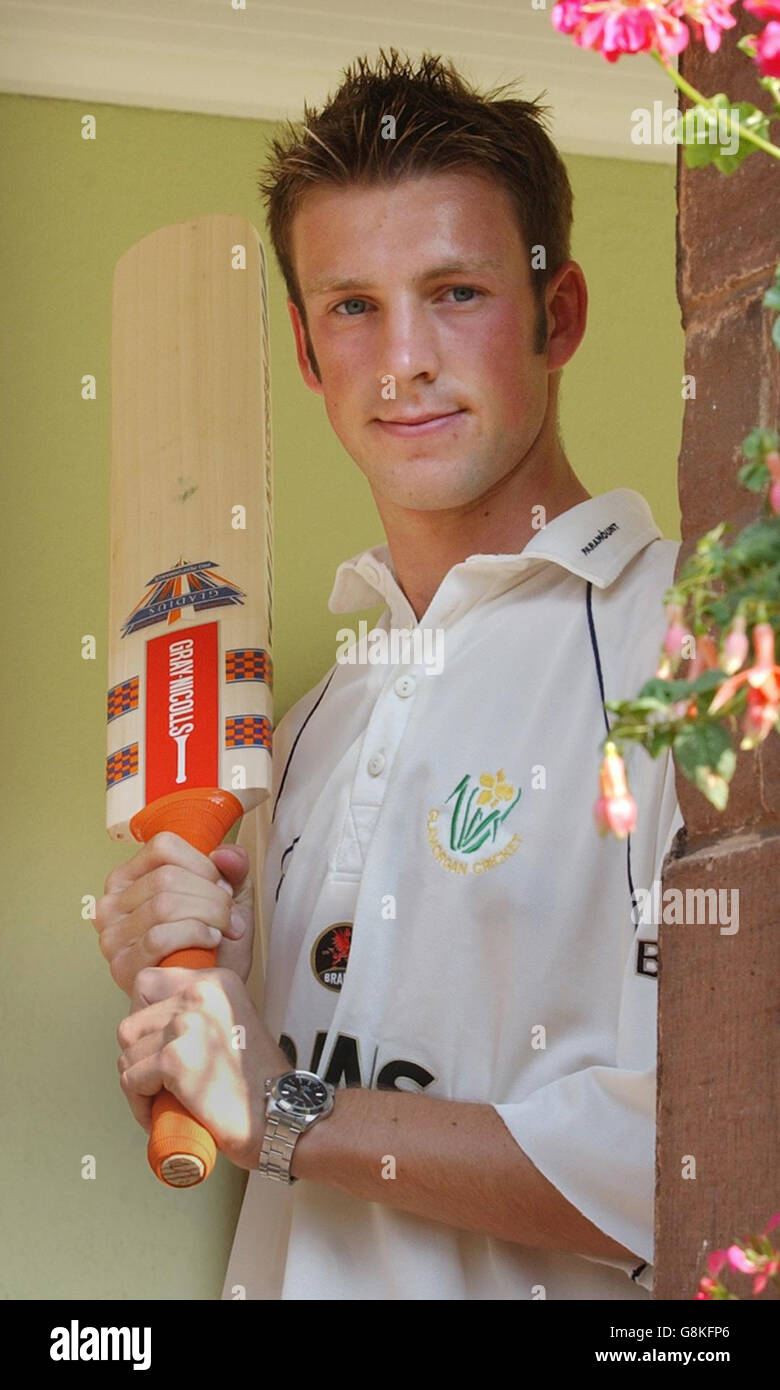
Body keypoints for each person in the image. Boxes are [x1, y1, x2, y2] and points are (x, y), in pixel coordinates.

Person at [97, 49, 684, 1301]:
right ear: (308, 354)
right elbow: (248, 1108)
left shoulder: (691, 640)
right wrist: (190, 993)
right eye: (353, 306)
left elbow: (706, 1157)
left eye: (457, 290)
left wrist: (288, 1111)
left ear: (559, 312)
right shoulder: (305, 727)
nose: (402, 359)